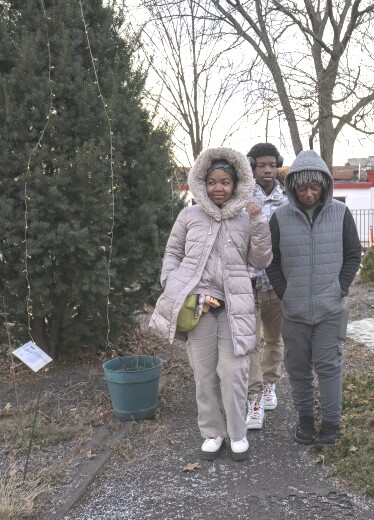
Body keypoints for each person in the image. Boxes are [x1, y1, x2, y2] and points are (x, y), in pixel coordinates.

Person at [150, 147, 271, 461]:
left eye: (226, 182)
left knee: (234, 372)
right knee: (204, 375)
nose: (218, 188)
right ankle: (212, 433)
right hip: (199, 310)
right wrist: (174, 286)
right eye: (213, 181)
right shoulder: (189, 216)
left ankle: (237, 433)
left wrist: (258, 224)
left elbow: (261, 260)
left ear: (236, 184)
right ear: (202, 184)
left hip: (235, 309)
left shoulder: (247, 217)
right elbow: (172, 255)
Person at [266, 149, 361, 447]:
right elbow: (272, 261)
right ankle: (305, 420)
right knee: (297, 369)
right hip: (293, 311)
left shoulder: (341, 214)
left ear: (324, 185)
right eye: (303, 187)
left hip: (330, 308)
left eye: (314, 187)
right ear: (293, 186)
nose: (308, 193)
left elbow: (353, 255)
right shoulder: (279, 218)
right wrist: (285, 292)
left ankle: (331, 424)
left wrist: (340, 287)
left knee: (329, 366)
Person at [244, 142, 287, 430]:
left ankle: (270, 384)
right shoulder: (242, 199)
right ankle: (254, 397)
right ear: (253, 167)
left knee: (274, 339)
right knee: (248, 343)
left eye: (272, 164)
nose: (268, 169)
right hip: (247, 282)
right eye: (262, 165)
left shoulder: (287, 200)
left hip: (277, 283)